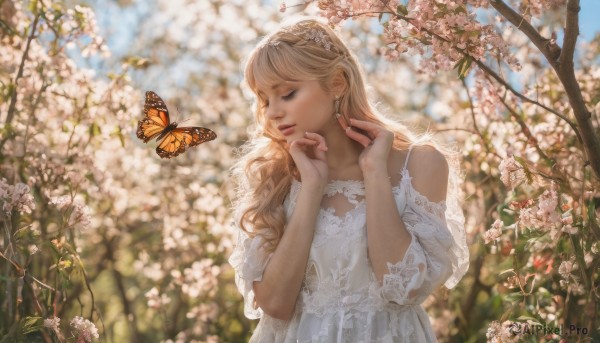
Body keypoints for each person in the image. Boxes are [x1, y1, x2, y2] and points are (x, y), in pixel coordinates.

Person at [228, 16, 469, 342]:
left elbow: (404, 288)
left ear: (338, 83)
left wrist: (375, 173)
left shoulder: (421, 165)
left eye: (287, 94)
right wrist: (312, 189)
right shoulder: (274, 177)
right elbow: (275, 305)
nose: (272, 112)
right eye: (264, 99)